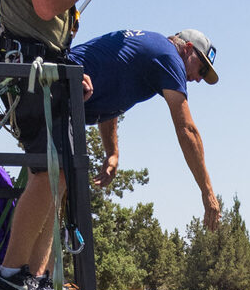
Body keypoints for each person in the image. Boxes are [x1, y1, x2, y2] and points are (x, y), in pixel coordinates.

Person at [0, 0, 122, 290]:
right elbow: (48, 3)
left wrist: (69, 66)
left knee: (62, 176)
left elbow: (48, 16)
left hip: (45, 68)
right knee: (50, 174)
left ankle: (37, 276)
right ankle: (12, 273)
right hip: (30, 71)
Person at [69, 28, 221, 232]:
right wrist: (208, 192)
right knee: (56, 182)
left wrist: (112, 153)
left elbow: (112, 94)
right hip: (56, 89)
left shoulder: (153, 50)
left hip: (61, 95)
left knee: (56, 185)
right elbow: (187, 129)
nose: (199, 79)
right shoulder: (170, 57)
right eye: (201, 69)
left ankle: (31, 262)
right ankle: (19, 263)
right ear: (187, 49)